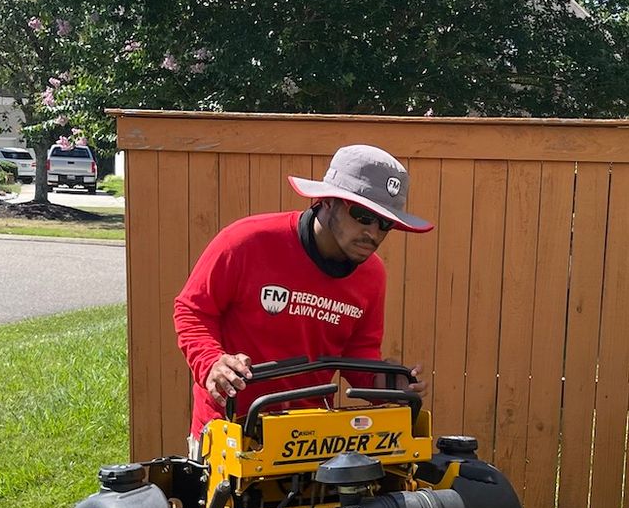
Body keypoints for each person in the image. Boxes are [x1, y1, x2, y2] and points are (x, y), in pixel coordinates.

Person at [172, 144, 433, 442]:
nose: (373, 233)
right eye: (362, 215)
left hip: (311, 436)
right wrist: (212, 362)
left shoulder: (373, 275)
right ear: (327, 201)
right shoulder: (246, 242)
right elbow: (192, 310)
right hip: (229, 431)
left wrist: (384, 383)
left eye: (386, 223)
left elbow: (358, 352)